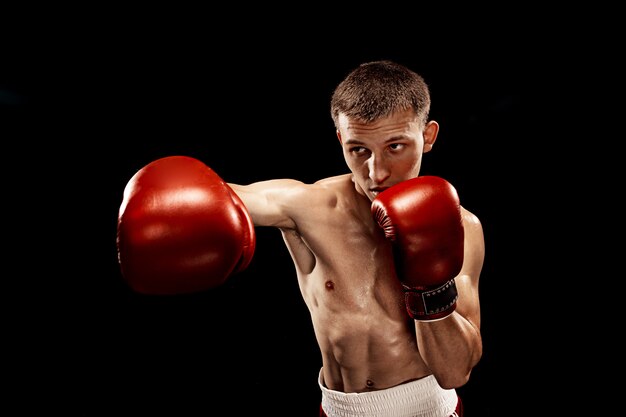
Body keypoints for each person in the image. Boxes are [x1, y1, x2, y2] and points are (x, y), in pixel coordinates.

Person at [117, 60, 485, 417]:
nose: (377, 172)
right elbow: (205, 197)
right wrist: (152, 210)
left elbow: (456, 372)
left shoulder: (463, 228)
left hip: (429, 408)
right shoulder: (310, 206)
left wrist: (430, 290)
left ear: (428, 136)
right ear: (341, 139)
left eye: (396, 146)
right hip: (343, 409)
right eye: (358, 149)